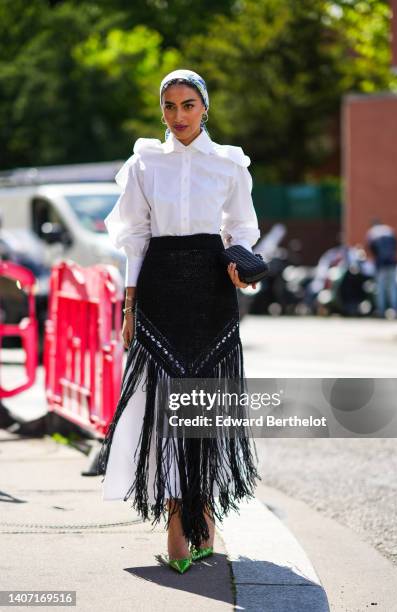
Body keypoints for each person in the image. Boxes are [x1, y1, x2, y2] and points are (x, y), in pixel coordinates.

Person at [97, 69, 262, 574]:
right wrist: (129, 306)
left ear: (205, 107)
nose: (178, 116)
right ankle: (175, 525)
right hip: (160, 292)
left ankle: (204, 517)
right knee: (164, 414)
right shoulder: (144, 162)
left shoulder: (230, 164)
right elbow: (136, 237)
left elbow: (241, 228)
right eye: (169, 106)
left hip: (212, 294)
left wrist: (243, 264)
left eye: (188, 105)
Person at [365, 218, 397, 318]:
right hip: (392, 262)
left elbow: (370, 248)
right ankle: (395, 309)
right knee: (393, 286)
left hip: (381, 263)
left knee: (381, 287)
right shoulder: (389, 230)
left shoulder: (372, 232)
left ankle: (381, 310)